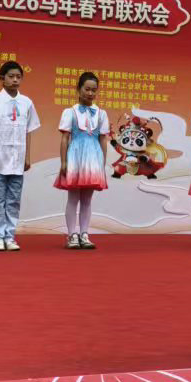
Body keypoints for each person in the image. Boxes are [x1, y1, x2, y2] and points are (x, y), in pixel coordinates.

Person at [0, 60, 41, 252]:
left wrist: (27, 156)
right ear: (2, 78)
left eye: (18, 77)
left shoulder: (27, 102)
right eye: (11, 76)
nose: (15, 80)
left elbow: (28, 130)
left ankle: (10, 236)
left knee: (13, 199)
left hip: (17, 159)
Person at [55, 71, 110, 249]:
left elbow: (103, 139)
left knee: (87, 199)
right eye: (87, 89)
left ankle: (84, 234)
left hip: (93, 159)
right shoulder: (69, 112)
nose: (90, 93)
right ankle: (72, 234)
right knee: (73, 198)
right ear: (78, 89)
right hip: (75, 158)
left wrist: (102, 164)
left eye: (94, 90)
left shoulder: (101, 114)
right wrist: (64, 162)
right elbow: (65, 139)